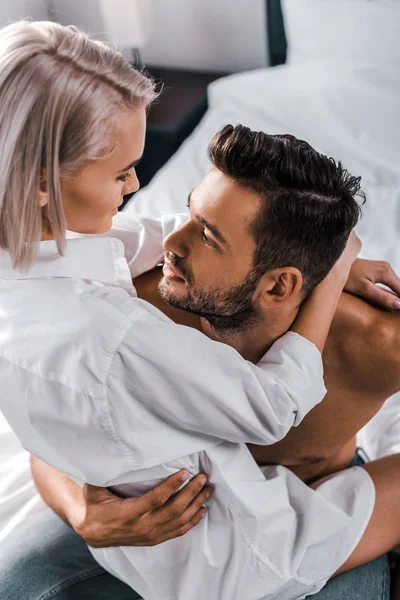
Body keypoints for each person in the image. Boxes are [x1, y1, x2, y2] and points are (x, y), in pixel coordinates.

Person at [0, 19, 397, 600]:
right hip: (216, 556)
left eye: (205, 231)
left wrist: (325, 262)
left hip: (268, 526)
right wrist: (76, 506)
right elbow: (269, 407)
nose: (137, 185)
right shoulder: (126, 321)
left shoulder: (51, 261)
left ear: (281, 284)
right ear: (42, 184)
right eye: (118, 173)